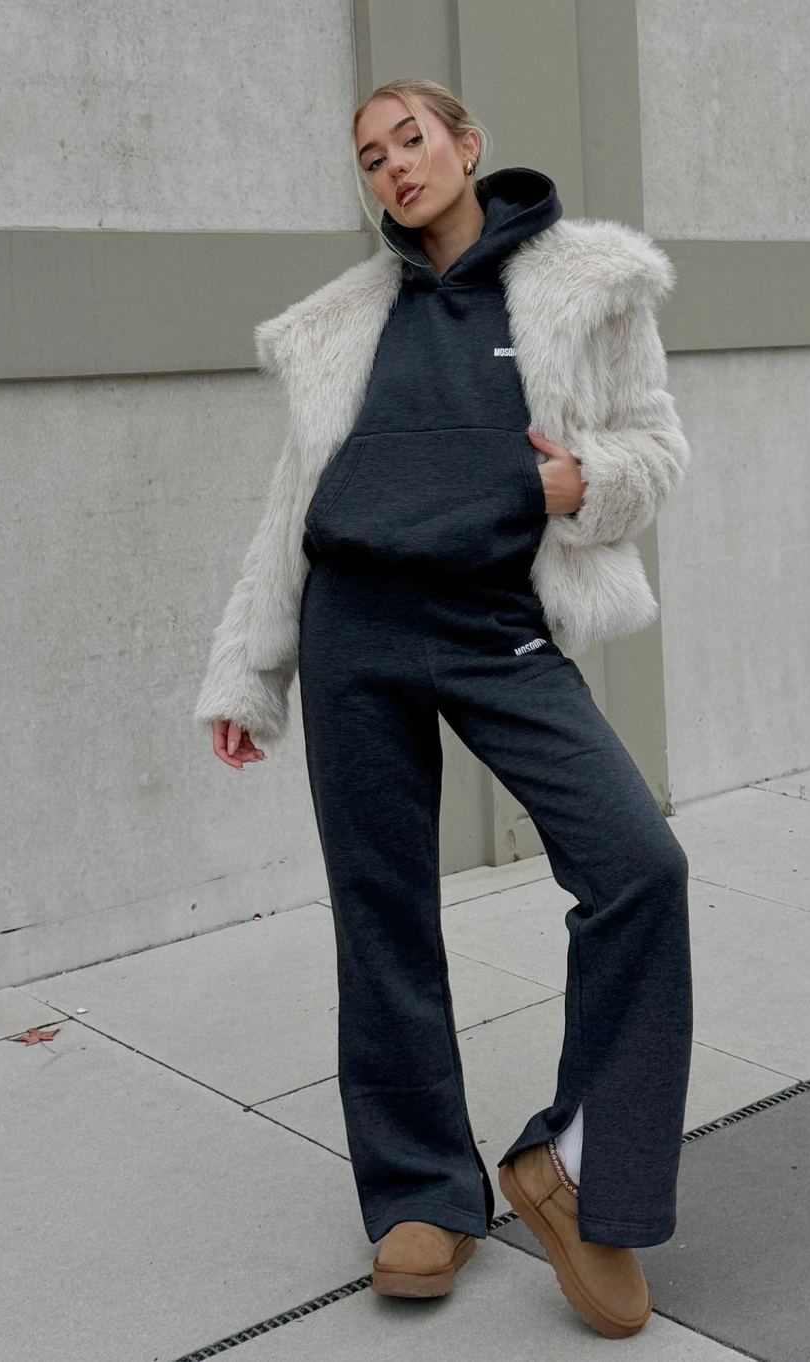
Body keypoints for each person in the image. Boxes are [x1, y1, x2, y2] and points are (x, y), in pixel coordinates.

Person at [195, 77, 694, 1340]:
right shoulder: (347, 320)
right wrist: (249, 669)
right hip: (353, 626)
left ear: (467, 144)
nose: (394, 167)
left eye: (410, 139)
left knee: (639, 867)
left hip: (494, 625)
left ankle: (574, 1168)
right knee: (383, 916)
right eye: (371, 156)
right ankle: (421, 1191)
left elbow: (656, 446)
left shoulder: (590, 286)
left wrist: (588, 480)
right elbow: (291, 504)